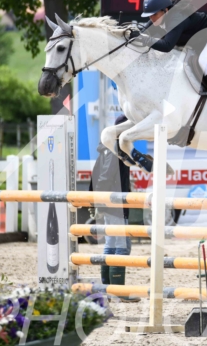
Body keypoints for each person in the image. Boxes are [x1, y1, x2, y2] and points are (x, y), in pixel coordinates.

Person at [137, 0, 207, 122]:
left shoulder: (177, 18)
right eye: (149, 15)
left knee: (204, 61)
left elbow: (167, 46)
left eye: (154, 14)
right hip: (201, 41)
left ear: (165, 10)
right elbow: (141, 33)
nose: (152, 18)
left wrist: (144, 39)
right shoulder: (159, 17)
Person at [88, 114, 138, 301]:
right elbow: (105, 176)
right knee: (122, 245)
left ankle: (107, 289)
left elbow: (97, 174)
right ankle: (118, 291)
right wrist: (101, 201)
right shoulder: (115, 149)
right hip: (114, 203)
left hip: (110, 202)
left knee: (110, 244)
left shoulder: (106, 148)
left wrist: (96, 200)